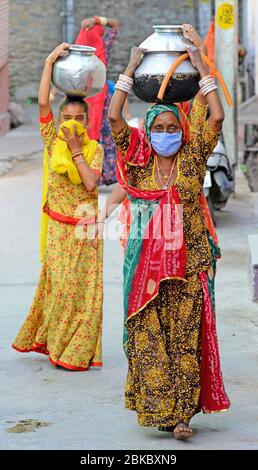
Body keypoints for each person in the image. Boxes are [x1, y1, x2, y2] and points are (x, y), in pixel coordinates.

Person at [108, 38, 230, 439]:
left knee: (183, 344)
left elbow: (215, 118)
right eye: (157, 128)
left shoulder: (192, 162)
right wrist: (130, 67)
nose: (164, 133)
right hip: (145, 270)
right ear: (149, 131)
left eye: (171, 127)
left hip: (188, 268)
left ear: (181, 130)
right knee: (146, 341)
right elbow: (114, 120)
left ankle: (181, 418)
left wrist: (198, 63)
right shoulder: (139, 164)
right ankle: (157, 408)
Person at [12, 43, 104, 371]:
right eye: (67, 118)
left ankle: (76, 353)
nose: (72, 124)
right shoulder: (53, 143)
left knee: (84, 295)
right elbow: (41, 103)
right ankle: (56, 345)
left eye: (79, 118)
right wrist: (50, 60)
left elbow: (91, 184)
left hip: (84, 234)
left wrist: (77, 150)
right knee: (61, 290)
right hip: (57, 231)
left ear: (89, 120)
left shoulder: (95, 149)